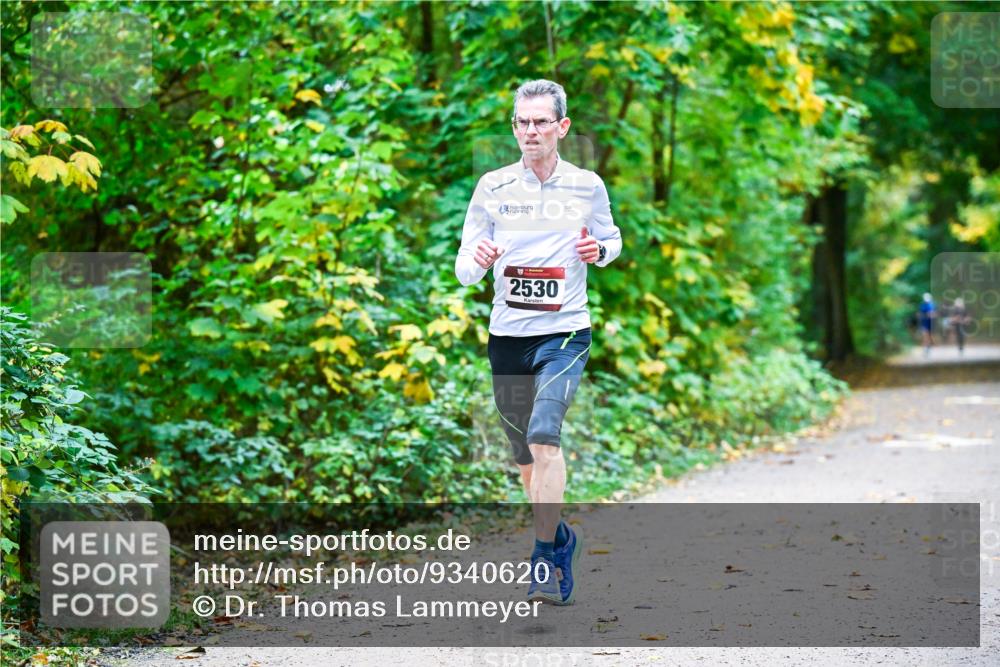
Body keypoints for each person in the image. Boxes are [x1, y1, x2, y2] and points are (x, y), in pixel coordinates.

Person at [455, 79, 622, 605]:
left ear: (561, 127)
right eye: (522, 122)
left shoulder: (587, 186)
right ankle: (562, 537)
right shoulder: (493, 187)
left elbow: (611, 239)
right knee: (527, 462)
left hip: (566, 331)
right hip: (507, 336)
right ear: (514, 128)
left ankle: (543, 559)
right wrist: (477, 262)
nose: (530, 131)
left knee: (545, 437)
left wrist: (599, 251)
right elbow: (463, 267)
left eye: (540, 122)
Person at [918, 292, 936, 357]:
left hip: (930, 324)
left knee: (930, 337)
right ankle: (925, 349)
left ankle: (928, 348)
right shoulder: (922, 306)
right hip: (924, 323)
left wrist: (931, 315)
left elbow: (934, 314)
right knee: (925, 336)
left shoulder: (932, 305)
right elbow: (919, 314)